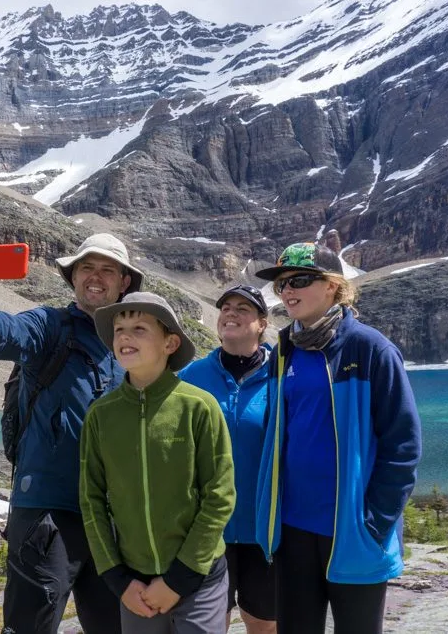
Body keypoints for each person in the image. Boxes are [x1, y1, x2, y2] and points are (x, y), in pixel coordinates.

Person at [0, 233, 142, 634]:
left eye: (108, 270)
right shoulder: (49, 326)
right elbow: (1, 334)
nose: (96, 277)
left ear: (124, 282)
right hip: (47, 513)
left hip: (111, 519)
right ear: (73, 277)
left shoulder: (132, 344)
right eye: (87, 267)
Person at [253, 242, 422, 634]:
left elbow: (404, 444)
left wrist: (374, 522)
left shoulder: (370, 348)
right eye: (281, 285)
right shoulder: (284, 350)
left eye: (298, 280)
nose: (286, 291)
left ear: (332, 286)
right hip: (293, 530)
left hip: (352, 529)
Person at [79, 291, 235, 634]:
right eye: (119, 329)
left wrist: (179, 578)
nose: (124, 336)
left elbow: (220, 496)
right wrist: (117, 579)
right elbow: (91, 501)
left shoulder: (199, 406)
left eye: (139, 328)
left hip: (199, 577)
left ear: (170, 343)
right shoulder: (101, 416)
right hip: (134, 582)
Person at [178, 284, 277, 634]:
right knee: (208, 622)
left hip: (263, 529)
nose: (231, 313)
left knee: (264, 623)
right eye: (226, 307)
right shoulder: (189, 378)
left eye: (243, 309)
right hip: (206, 528)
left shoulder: (282, 377)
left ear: (262, 323)